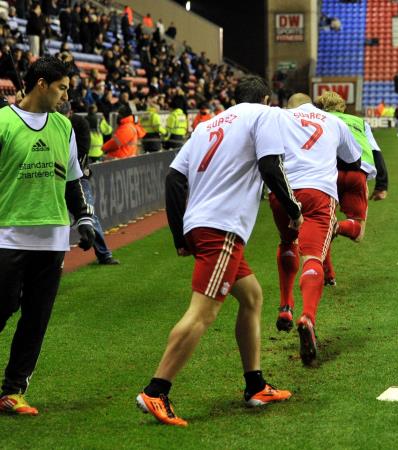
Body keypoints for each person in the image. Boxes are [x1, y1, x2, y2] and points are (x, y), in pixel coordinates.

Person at [136, 76, 302, 427]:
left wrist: (180, 236)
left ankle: (255, 385)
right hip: (222, 227)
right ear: (266, 99)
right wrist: (293, 209)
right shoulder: (264, 115)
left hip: (203, 225)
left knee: (252, 297)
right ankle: (156, 390)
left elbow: (174, 178)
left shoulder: (206, 125)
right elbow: (271, 165)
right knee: (203, 313)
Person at [0, 56, 95, 415]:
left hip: (52, 238)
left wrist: (84, 217)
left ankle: (12, 391)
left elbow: (72, 179)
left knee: (36, 319)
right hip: (7, 235)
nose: (65, 96)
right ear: (42, 84)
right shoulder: (3, 122)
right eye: (62, 88)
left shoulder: (63, 127)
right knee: (3, 306)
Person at [270, 93, 361, 365]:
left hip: (282, 193)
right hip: (318, 193)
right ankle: (307, 317)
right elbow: (353, 160)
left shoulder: (277, 117)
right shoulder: (333, 121)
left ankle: (285, 306)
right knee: (312, 258)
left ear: (289, 106)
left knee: (287, 242)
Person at [315, 90, 388, 286]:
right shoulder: (360, 122)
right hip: (358, 173)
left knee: (323, 224)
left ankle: (328, 275)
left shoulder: (319, 120)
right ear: (342, 106)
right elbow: (376, 152)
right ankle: (338, 227)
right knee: (358, 232)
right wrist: (382, 185)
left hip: (329, 175)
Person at [60, 101, 120, 266]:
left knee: (88, 214)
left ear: (70, 113)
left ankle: (104, 255)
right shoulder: (53, 123)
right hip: (57, 178)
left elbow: (81, 152)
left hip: (78, 176)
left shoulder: (79, 123)